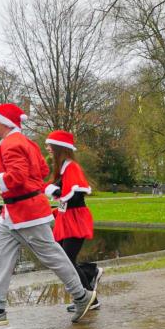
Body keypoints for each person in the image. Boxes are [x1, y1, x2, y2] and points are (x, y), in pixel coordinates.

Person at [0, 104, 97, 325]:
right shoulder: (26, 142)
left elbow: (16, 176)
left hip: (27, 213)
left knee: (53, 256)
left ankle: (82, 297)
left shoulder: (12, 143)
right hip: (12, 213)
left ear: (6, 122)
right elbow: (42, 171)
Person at [43, 130, 105, 313]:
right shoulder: (63, 168)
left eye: (50, 145)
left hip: (75, 220)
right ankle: (89, 273)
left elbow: (75, 197)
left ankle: (90, 299)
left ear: (60, 147)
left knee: (66, 261)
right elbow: (64, 197)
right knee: (64, 259)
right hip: (67, 219)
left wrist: (54, 191)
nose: (47, 148)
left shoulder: (72, 168)